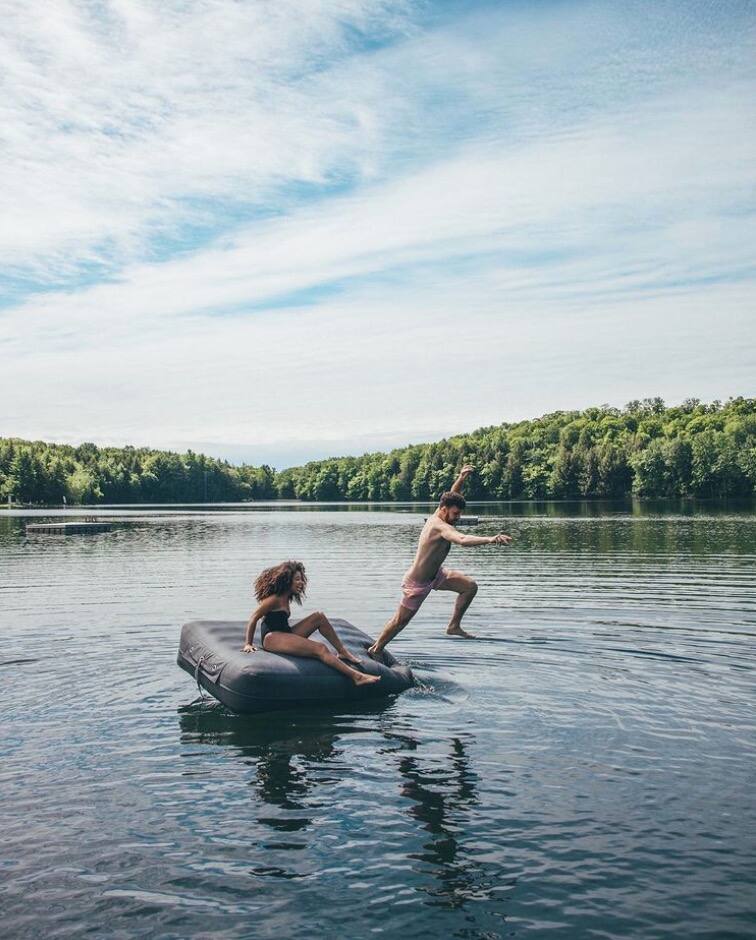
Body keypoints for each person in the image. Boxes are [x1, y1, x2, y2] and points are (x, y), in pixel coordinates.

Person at [368, 465, 512, 659]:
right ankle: (375, 649)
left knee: (469, 587)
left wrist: (461, 478)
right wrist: (490, 539)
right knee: (400, 621)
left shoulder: (441, 511)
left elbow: (453, 494)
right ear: (444, 510)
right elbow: (461, 540)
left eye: (459, 514)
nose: (458, 517)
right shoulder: (440, 526)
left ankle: (454, 626)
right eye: (455, 514)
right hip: (417, 583)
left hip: (436, 575)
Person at [242, 560, 380, 687]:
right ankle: (356, 677)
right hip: (272, 638)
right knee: (320, 648)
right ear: (287, 580)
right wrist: (248, 643)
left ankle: (343, 652)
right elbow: (254, 617)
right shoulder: (274, 599)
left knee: (319, 617)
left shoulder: (287, 596)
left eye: (302, 579)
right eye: (297, 579)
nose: (301, 582)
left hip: (284, 632)